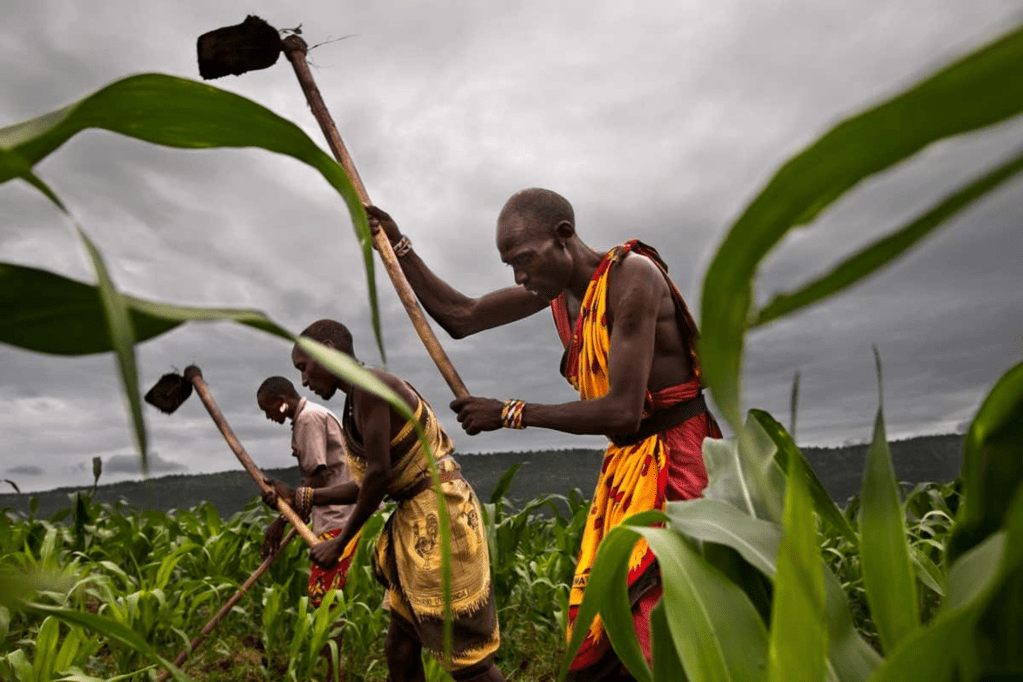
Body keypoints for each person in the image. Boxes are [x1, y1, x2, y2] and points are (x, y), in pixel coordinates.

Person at [365, 188, 721, 681]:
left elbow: (624, 411)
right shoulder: (559, 297)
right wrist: (399, 245)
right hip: (628, 467)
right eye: (510, 265)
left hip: (677, 462)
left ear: (563, 236)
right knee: (610, 624)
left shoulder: (632, 277)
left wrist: (510, 412)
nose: (519, 276)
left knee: (656, 622)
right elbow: (462, 317)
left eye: (524, 260)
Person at [263, 319, 504, 682]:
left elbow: (378, 475)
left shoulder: (369, 387)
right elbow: (365, 484)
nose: (304, 380)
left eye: (304, 367)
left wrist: (339, 544)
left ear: (327, 351)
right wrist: (298, 496)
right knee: (400, 648)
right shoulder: (355, 400)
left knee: (467, 659)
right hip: (418, 518)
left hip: (440, 519)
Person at [256, 376, 359, 681]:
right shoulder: (310, 416)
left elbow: (317, 478)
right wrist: (286, 499)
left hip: (339, 518)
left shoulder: (308, 419)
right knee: (325, 599)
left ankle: (331, 675)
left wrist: (281, 520)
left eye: (267, 409)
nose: (268, 417)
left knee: (325, 601)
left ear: (281, 402)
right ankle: (330, 671)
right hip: (335, 516)